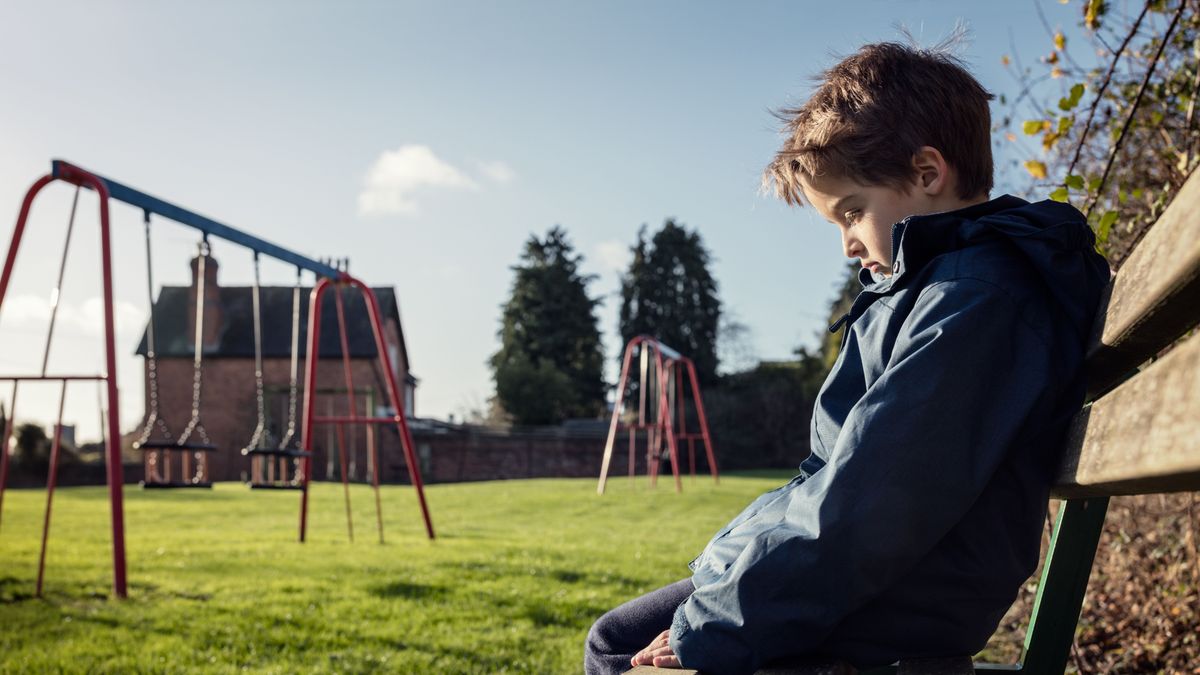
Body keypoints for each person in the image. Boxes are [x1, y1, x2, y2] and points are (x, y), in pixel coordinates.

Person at [584, 40, 1111, 675]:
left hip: (895, 602)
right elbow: (843, 481)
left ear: (926, 173)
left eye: (852, 212)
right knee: (618, 636)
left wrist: (716, 624)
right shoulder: (933, 289)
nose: (847, 245)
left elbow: (874, 502)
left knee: (620, 652)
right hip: (876, 584)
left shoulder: (976, 300)